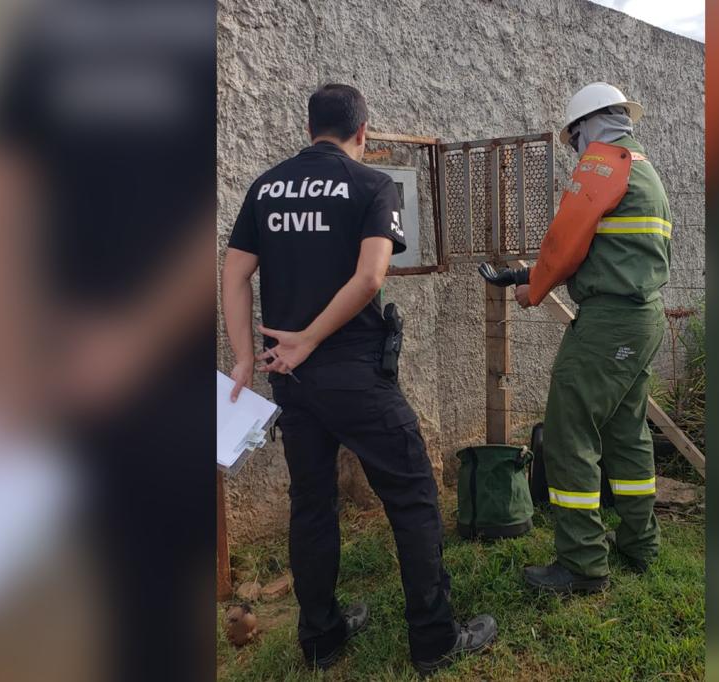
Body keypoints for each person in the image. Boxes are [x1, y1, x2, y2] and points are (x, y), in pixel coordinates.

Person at [221, 83, 496, 674]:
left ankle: (320, 638)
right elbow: (371, 277)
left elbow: (235, 274)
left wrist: (245, 357)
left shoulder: (266, 187)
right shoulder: (374, 184)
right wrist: (314, 338)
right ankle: (434, 638)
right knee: (414, 495)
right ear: (363, 134)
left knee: (312, 504)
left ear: (309, 128)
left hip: (289, 380)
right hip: (352, 374)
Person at [481, 82, 672, 592]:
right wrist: (526, 277)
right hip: (642, 316)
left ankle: (583, 563)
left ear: (588, 127)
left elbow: (566, 243)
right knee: (627, 433)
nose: (575, 151)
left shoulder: (603, 165)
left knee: (569, 435)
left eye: (573, 140)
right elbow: (607, 250)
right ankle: (639, 544)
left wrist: (534, 288)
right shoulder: (645, 171)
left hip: (607, 325)